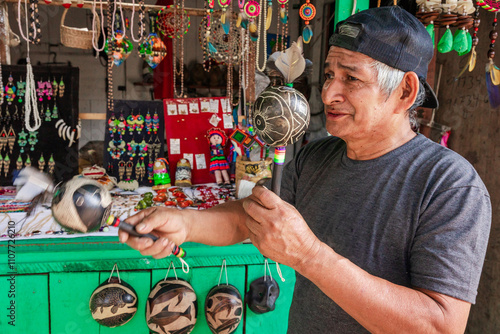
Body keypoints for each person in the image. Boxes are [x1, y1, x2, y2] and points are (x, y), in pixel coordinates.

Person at [120, 6, 491, 333]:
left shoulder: (449, 184)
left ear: (405, 93)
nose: (328, 93)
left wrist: (309, 257)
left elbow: (441, 327)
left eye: (351, 78)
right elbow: (249, 217)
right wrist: (185, 224)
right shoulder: (319, 157)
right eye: (329, 75)